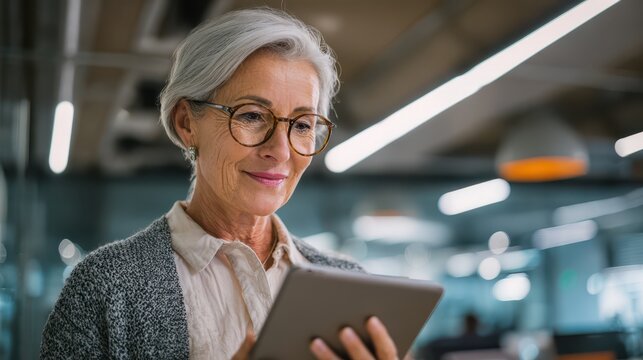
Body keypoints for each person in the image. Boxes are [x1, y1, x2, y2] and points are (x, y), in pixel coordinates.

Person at [41, 7, 400, 360]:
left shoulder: (349, 286)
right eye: (252, 116)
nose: (280, 150)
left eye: (302, 125)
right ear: (187, 123)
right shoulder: (106, 287)